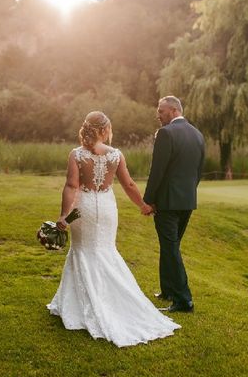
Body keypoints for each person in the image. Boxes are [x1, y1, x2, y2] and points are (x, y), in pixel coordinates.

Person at [47, 111, 181, 347]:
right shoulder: (116, 155)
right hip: (107, 209)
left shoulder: (76, 155)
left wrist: (64, 215)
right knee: (106, 251)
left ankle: (80, 305)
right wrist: (143, 205)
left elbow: (71, 185)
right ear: (105, 130)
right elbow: (128, 184)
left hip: (84, 208)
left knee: (83, 251)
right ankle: (113, 301)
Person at [143, 96, 205, 313]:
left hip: (167, 203)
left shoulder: (166, 133)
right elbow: (198, 172)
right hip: (187, 201)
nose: (158, 115)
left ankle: (183, 300)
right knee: (171, 246)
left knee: (170, 248)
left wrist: (148, 200)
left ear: (172, 110)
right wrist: (187, 194)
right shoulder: (198, 134)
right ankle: (168, 289)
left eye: (161, 111)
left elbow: (157, 171)